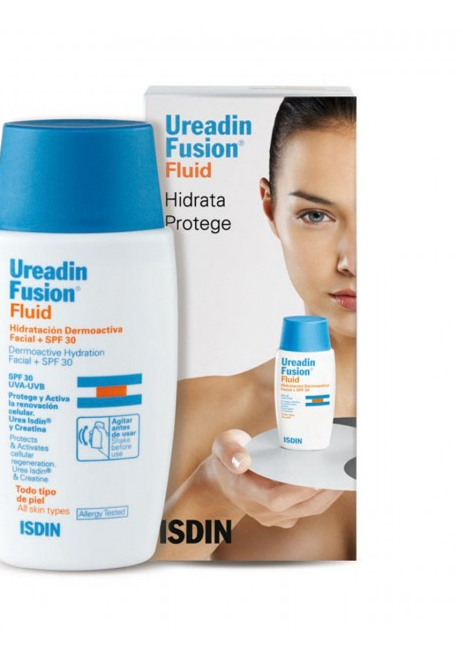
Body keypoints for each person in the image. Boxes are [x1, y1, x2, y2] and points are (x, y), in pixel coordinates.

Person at [154, 97, 356, 561]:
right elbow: (116, 596)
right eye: (316, 216)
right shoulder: (190, 417)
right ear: (270, 208)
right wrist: (211, 492)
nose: (352, 261)